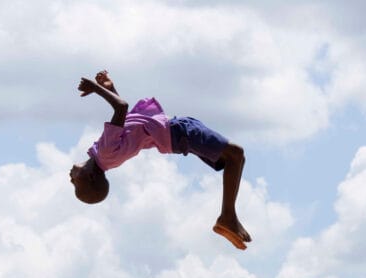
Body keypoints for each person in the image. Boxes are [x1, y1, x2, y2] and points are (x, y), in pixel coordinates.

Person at [70, 70, 252, 250]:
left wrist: (111, 89)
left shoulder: (105, 157)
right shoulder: (105, 153)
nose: (71, 179)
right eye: (76, 183)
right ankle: (228, 215)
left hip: (178, 137)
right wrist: (96, 88)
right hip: (180, 133)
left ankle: (228, 215)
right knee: (235, 155)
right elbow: (121, 107)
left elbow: (127, 124)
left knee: (233, 159)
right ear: (91, 177)